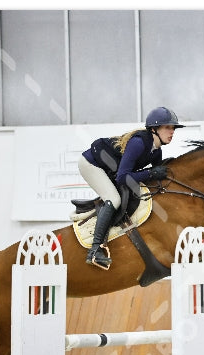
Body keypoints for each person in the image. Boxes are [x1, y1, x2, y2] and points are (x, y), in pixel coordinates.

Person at [78, 106, 184, 269]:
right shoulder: (138, 143)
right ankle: (95, 250)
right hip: (91, 164)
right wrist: (150, 172)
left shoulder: (156, 152)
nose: (172, 132)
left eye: (173, 128)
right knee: (113, 199)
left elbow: (158, 180)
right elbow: (122, 178)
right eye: (168, 127)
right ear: (154, 129)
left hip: (109, 167)